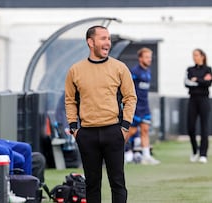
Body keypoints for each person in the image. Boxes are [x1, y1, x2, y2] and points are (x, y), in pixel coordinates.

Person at [65, 25, 137, 203]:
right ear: (90, 42)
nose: (108, 42)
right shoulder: (75, 70)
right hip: (87, 134)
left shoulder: (120, 68)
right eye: (103, 38)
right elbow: (70, 100)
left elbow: (130, 97)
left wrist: (125, 126)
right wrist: (74, 128)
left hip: (113, 131)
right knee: (92, 184)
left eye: (109, 39)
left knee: (118, 183)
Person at [125, 47, 160, 165]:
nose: (149, 59)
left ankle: (146, 156)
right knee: (131, 131)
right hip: (135, 107)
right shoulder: (134, 72)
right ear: (140, 58)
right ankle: (119, 152)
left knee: (145, 130)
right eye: (146, 57)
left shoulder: (148, 72)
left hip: (145, 107)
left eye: (150, 57)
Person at [184, 49, 212, 164]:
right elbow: (187, 83)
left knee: (204, 127)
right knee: (190, 127)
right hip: (192, 100)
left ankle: (203, 154)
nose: (194, 57)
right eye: (193, 55)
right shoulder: (190, 70)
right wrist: (202, 81)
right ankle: (195, 150)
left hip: (204, 100)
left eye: (196, 55)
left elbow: (209, 83)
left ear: (202, 56)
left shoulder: (208, 69)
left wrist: (197, 80)